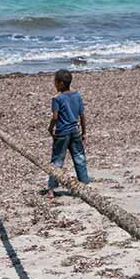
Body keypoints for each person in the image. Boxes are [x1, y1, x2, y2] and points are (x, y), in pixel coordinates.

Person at [45, 69, 90, 198]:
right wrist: (84, 132)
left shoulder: (57, 99)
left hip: (62, 132)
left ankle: (52, 189)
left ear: (60, 84)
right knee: (79, 157)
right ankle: (84, 184)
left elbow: (55, 117)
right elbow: (82, 115)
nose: (54, 84)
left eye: (55, 82)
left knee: (57, 160)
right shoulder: (77, 95)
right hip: (75, 131)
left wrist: (50, 128)